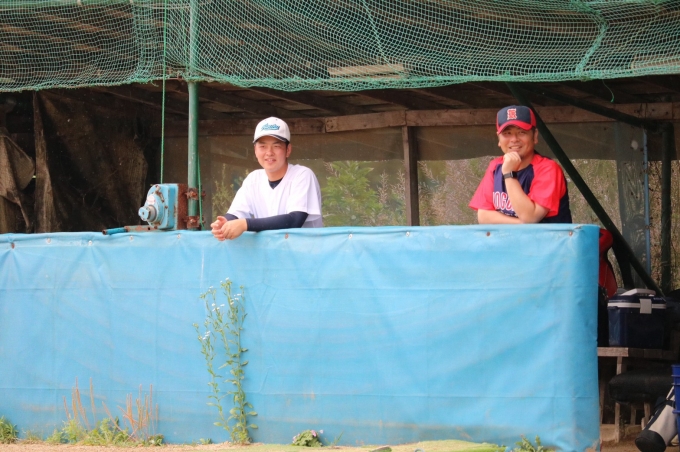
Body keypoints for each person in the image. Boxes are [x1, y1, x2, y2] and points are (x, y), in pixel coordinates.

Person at [211, 117, 323, 240]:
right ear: (255, 150)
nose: (269, 152)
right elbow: (236, 213)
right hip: (271, 251)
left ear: (288, 150)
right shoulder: (253, 179)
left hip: (306, 250)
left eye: (276, 146)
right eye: (263, 146)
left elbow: (294, 220)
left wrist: (245, 224)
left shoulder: (302, 175)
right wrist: (224, 222)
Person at [469, 105, 572, 224]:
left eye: (522, 132)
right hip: (509, 236)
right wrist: (522, 224)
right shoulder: (495, 166)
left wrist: (509, 174)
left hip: (548, 237)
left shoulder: (548, 168)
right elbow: (483, 217)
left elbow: (531, 217)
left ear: (535, 136)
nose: (514, 139)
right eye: (507, 133)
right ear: (499, 139)